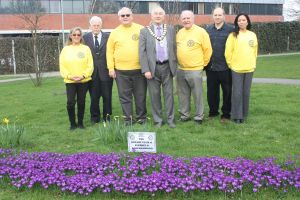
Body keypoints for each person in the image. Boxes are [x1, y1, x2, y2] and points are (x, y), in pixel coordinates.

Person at [106, 7, 147, 125]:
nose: (125, 17)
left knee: (140, 96)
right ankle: (128, 119)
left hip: (139, 70)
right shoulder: (114, 33)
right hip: (121, 72)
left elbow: (148, 48)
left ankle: (141, 118)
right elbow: (109, 51)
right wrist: (111, 68)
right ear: (119, 18)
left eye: (127, 15)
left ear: (132, 16)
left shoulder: (141, 29)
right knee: (125, 97)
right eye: (122, 15)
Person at [139, 7, 177, 128]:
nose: (158, 15)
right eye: (155, 14)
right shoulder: (145, 31)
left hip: (167, 66)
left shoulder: (170, 29)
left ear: (164, 16)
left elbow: (174, 48)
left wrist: (174, 66)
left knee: (169, 95)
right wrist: (145, 70)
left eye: (160, 13)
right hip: (152, 68)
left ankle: (171, 120)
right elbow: (142, 52)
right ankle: (158, 121)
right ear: (151, 16)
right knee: (154, 95)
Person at [176, 10, 212, 124]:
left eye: (188, 18)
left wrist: (203, 64)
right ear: (181, 20)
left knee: (197, 94)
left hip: (195, 69)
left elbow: (208, 50)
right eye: (184, 18)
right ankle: (184, 115)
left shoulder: (201, 32)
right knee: (183, 94)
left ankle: (199, 116)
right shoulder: (179, 32)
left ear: (193, 19)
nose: (186, 20)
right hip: (181, 69)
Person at [225, 13, 258, 124]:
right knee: (237, 93)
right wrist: (231, 65)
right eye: (239, 20)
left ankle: (244, 114)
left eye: (244, 20)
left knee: (246, 93)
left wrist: (253, 63)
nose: (242, 22)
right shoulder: (233, 35)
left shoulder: (252, 35)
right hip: (236, 69)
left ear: (247, 22)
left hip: (249, 69)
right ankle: (236, 116)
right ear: (237, 23)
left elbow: (255, 51)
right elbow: (228, 52)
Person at [59, 27, 93, 130]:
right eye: (74, 35)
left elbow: (90, 65)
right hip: (70, 81)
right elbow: (62, 65)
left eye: (78, 35)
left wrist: (83, 75)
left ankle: (80, 123)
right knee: (70, 102)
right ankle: (72, 124)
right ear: (70, 36)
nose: (76, 37)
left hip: (83, 80)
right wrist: (69, 76)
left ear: (81, 36)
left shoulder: (86, 49)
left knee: (81, 102)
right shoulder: (65, 49)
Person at [206, 7, 234, 122]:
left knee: (227, 92)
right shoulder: (208, 29)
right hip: (211, 67)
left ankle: (226, 114)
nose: (217, 17)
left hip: (225, 67)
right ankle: (213, 113)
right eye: (215, 15)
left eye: (219, 15)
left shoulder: (231, 29)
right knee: (212, 92)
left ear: (224, 16)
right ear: (213, 16)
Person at [83, 16, 113, 123]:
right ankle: (95, 118)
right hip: (92, 73)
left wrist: (112, 68)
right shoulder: (84, 38)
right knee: (94, 98)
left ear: (101, 25)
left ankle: (107, 118)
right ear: (90, 26)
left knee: (107, 97)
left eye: (98, 25)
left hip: (106, 72)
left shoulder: (108, 37)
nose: (96, 27)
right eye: (94, 25)